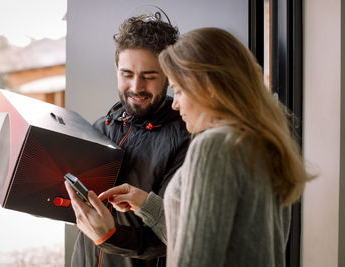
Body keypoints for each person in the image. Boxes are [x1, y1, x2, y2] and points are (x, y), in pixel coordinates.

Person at [65, 27, 314, 267]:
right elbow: (205, 233)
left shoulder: (214, 146)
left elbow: (195, 257)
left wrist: (110, 236)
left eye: (180, 91)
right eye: (127, 74)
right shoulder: (265, 142)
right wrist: (147, 204)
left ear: (209, 89)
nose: (176, 104)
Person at [0, 11, 190, 267]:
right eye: (127, 74)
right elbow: (64, 202)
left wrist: (110, 236)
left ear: (169, 75)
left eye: (149, 77)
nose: (136, 87)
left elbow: (175, 235)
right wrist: (10, 185)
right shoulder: (99, 127)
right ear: (116, 69)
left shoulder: (186, 140)